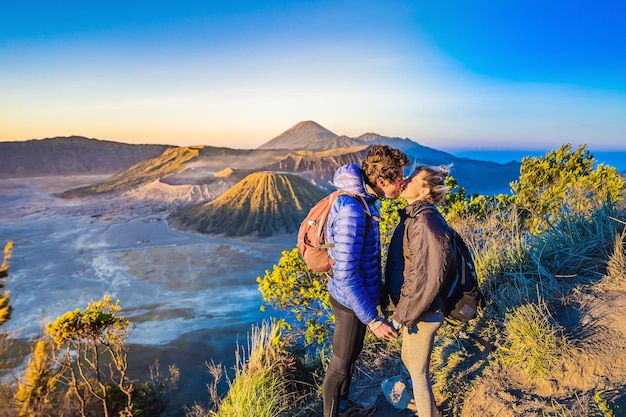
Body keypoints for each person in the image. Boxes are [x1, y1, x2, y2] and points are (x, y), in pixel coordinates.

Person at [322, 144, 409, 417]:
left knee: (349, 358)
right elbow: (346, 274)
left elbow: (363, 262)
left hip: (359, 297)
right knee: (340, 364)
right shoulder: (352, 210)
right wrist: (372, 319)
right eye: (400, 179)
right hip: (349, 301)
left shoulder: (365, 202)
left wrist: (379, 295)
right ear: (381, 182)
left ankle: (345, 408)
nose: (403, 184)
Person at [384, 165, 453, 417]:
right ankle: (422, 406)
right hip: (418, 310)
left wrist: (402, 316)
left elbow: (425, 277)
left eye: (412, 178)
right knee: (409, 360)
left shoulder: (425, 221)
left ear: (423, 190)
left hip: (423, 312)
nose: (405, 179)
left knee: (419, 374)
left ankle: (427, 412)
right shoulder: (417, 217)